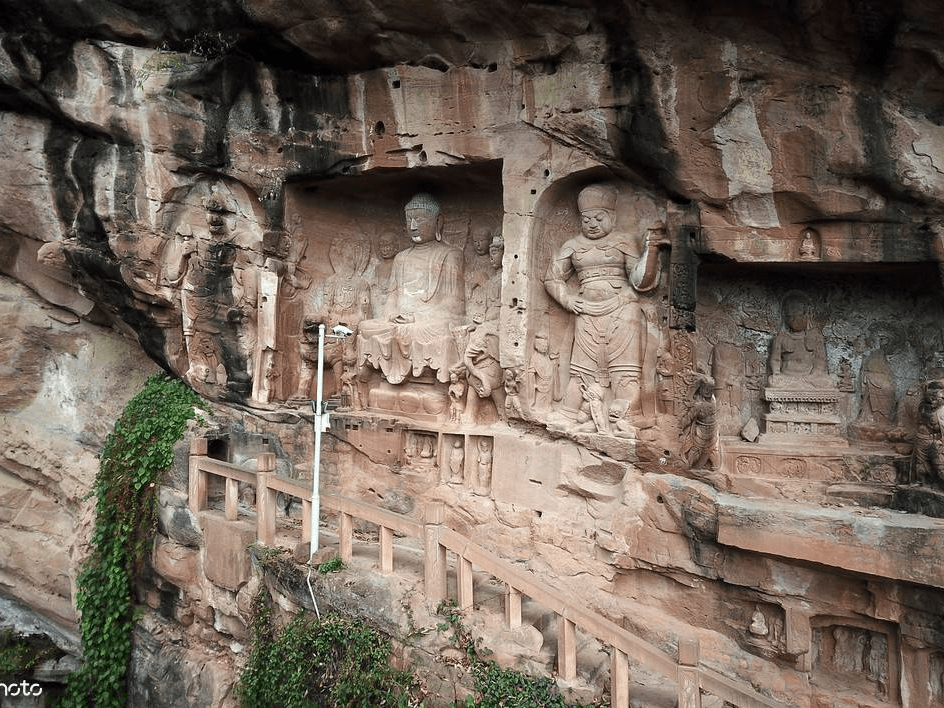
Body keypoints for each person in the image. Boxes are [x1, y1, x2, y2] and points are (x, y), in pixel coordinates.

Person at [543, 183, 667, 427]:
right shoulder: (573, 245)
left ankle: (624, 413)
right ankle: (570, 411)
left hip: (622, 310)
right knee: (581, 368)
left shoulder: (624, 241)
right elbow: (551, 277)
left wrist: (651, 250)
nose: (592, 224)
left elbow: (641, 283)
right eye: (586, 219)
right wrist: (568, 299)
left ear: (612, 216)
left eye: (599, 218)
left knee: (624, 369)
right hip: (586, 312)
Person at [357, 193, 465, 384]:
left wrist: (418, 317)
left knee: (426, 331)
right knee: (366, 327)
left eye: (420, 219)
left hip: (429, 322)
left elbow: (454, 306)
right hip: (400, 322)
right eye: (409, 220)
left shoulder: (450, 255)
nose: (413, 225)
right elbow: (392, 299)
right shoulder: (401, 258)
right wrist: (392, 315)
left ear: (438, 222)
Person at [768, 291, 830, 389]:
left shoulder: (815, 336)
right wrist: (776, 374)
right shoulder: (780, 338)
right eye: (792, 316)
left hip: (810, 378)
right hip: (787, 377)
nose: (797, 320)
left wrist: (815, 374)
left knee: (827, 382)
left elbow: (820, 360)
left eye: (801, 315)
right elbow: (776, 359)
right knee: (773, 382)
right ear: (785, 317)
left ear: (808, 315)